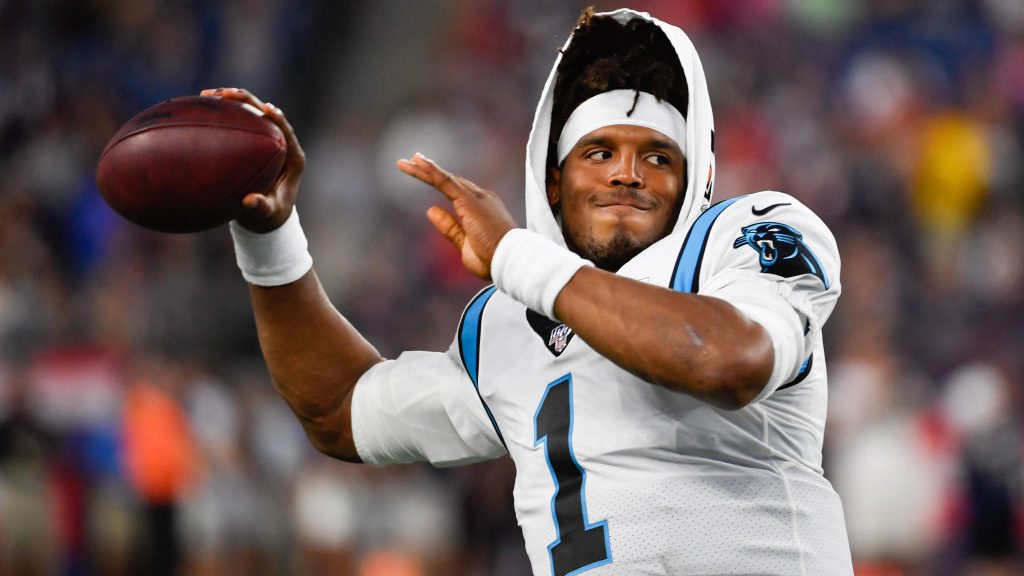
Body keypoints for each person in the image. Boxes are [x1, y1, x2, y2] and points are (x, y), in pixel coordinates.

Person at [202, 7, 853, 575]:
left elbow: (725, 359)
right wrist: (271, 235)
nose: (626, 174)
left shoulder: (744, 234)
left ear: (695, 181)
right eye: (598, 152)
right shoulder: (508, 322)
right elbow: (340, 411)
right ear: (552, 182)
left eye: (658, 156)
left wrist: (517, 254)